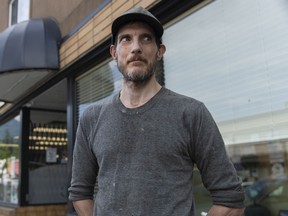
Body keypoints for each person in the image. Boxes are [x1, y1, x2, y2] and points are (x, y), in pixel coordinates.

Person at [68, 6, 245, 216]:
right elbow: (80, 193)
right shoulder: (92, 118)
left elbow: (231, 201)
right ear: (114, 53)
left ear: (160, 51)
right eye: (126, 39)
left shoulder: (191, 113)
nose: (136, 48)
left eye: (145, 38)